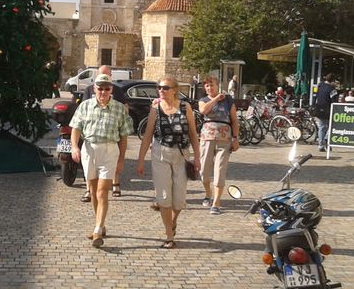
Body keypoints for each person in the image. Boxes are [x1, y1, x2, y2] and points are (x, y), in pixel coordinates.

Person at [136, 75, 201, 249]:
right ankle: (169, 235)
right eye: (159, 87)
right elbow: (148, 134)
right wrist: (141, 160)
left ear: (175, 90)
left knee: (179, 200)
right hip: (160, 153)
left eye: (165, 88)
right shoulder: (155, 108)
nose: (161, 91)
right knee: (164, 197)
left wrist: (198, 158)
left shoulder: (185, 107)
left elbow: (194, 134)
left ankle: (172, 221)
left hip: (182, 154)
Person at [70, 73, 133, 248]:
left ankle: (97, 229)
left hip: (109, 150)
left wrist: (121, 159)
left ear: (111, 90)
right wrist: (75, 146)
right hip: (89, 148)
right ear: (94, 89)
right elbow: (76, 127)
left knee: (102, 191)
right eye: (100, 88)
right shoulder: (85, 106)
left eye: (107, 88)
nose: (103, 92)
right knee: (92, 188)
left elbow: (124, 137)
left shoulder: (119, 108)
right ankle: (101, 223)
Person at [81, 64, 129, 201]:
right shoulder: (89, 89)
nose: (103, 90)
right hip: (93, 129)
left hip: (113, 128)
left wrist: (120, 117)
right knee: (89, 164)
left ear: (111, 77)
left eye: (107, 75)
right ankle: (88, 190)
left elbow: (125, 106)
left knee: (115, 154)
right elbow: (83, 107)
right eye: (102, 75)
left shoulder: (117, 90)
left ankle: (116, 183)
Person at [197, 77, 239, 214]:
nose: (210, 88)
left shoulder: (228, 100)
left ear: (218, 85)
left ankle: (216, 202)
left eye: (212, 85)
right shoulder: (203, 100)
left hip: (224, 138)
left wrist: (235, 138)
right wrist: (215, 99)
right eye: (207, 86)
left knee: (220, 170)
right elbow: (203, 111)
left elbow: (234, 120)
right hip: (207, 137)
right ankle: (208, 193)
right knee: (204, 170)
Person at [313, 73, 338, 152]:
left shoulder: (319, 86)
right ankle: (326, 139)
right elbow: (334, 101)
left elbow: (315, 95)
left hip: (318, 109)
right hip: (328, 110)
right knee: (331, 127)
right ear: (333, 80)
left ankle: (320, 145)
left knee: (321, 128)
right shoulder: (332, 89)